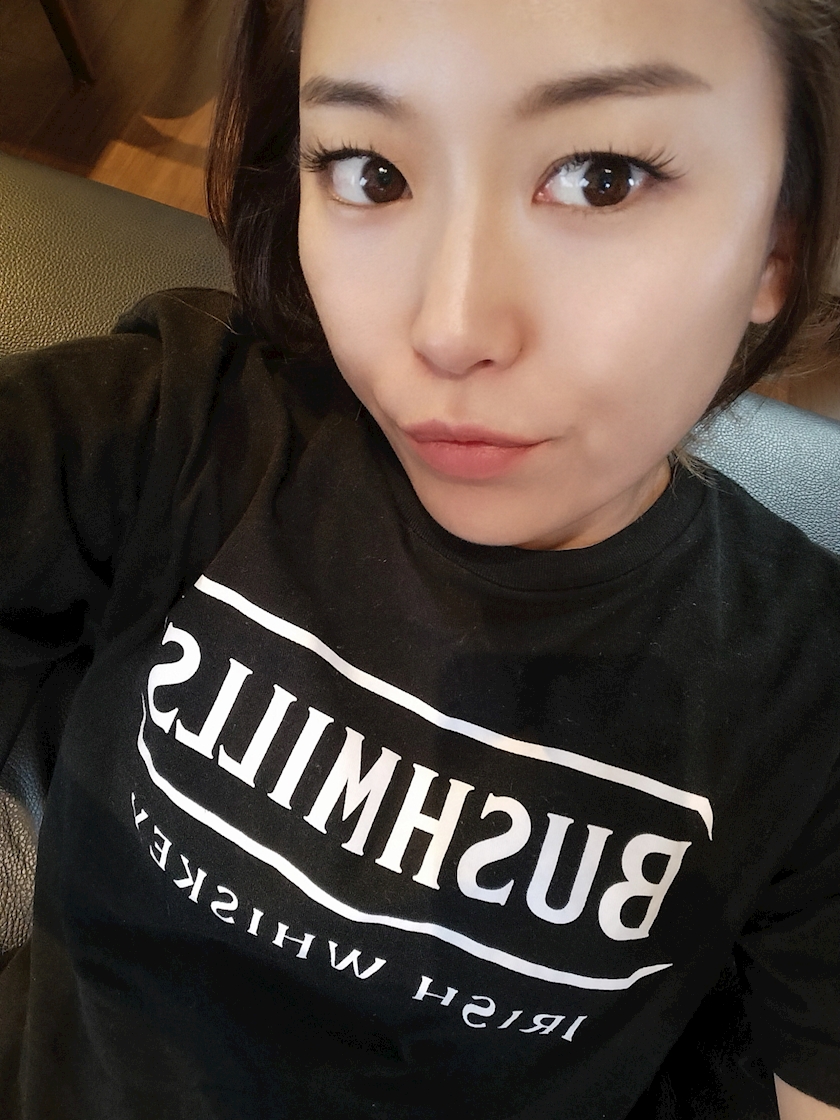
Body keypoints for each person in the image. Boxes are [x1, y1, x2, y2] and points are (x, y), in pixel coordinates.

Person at [0, 0, 839, 1116]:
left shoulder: (806, 697)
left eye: (602, 179)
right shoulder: (185, 422)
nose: (448, 327)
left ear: (780, 240)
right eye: (372, 173)